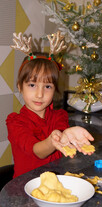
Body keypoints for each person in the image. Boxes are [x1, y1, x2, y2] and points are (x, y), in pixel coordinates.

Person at [6, 33, 94, 178]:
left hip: (57, 184)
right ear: (20, 87)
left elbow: (65, 141)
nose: (40, 94)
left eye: (47, 87)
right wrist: (53, 140)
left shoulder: (60, 116)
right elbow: (37, 151)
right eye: (32, 85)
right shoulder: (15, 122)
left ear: (54, 89)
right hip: (25, 190)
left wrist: (68, 135)